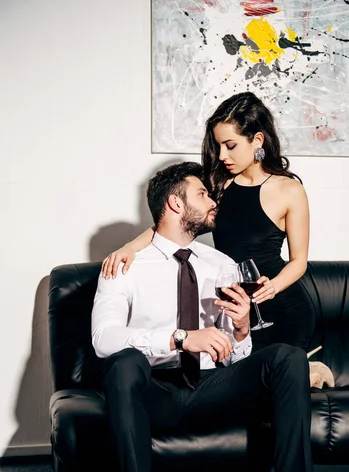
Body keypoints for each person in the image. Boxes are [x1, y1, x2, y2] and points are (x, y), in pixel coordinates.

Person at [92, 161, 331, 472]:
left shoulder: (220, 264)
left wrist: (240, 330)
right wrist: (181, 338)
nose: (212, 200)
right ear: (175, 202)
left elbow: (234, 352)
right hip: (157, 394)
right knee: (123, 363)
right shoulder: (125, 265)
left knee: (287, 357)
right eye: (202, 193)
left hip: (212, 390)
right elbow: (105, 339)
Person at [101, 92, 333, 388]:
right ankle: (308, 371)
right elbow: (172, 224)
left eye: (231, 145)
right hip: (234, 310)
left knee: (267, 380)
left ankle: (308, 370)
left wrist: (272, 287)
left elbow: (300, 261)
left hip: (282, 308)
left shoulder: (290, 190)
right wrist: (129, 248)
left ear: (258, 141)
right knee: (240, 378)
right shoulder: (218, 186)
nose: (222, 155)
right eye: (219, 146)